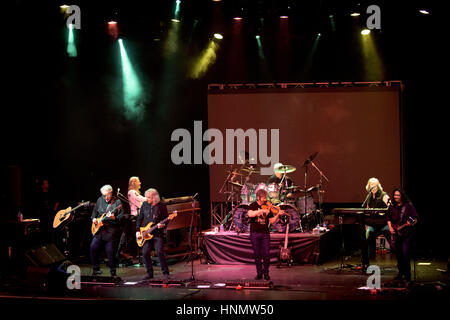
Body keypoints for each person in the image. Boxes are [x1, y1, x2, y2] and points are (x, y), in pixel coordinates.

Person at [247, 189, 283, 280]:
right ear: (258, 197)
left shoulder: (267, 206)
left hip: (265, 233)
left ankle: (266, 273)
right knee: (257, 254)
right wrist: (259, 212)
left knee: (266, 254)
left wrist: (278, 214)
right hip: (254, 233)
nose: (265, 199)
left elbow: (271, 221)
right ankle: (259, 273)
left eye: (265, 197)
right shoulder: (253, 205)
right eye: (263, 198)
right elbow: (250, 214)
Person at [136, 188, 170, 280]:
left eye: (149, 197)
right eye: (146, 197)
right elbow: (139, 219)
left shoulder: (162, 206)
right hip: (146, 234)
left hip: (158, 234)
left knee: (159, 251)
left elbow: (167, 220)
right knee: (145, 253)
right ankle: (149, 273)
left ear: (155, 197)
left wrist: (162, 225)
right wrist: (137, 231)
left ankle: (165, 272)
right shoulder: (144, 205)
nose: (147, 199)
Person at [90, 185, 124, 277]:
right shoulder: (100, 200)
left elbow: (121, 217)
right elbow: (94, 212)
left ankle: (113, 272)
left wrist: (114, 217)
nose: (105, 197)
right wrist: (93, 219)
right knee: (93, 248)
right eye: (103, 195)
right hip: (100, 229)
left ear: (111, 193)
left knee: (110, 251)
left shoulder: (117, 202)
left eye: (107, 195)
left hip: (111, 230)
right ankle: (96, 269)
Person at [387, 189, 418, 281]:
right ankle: (401, 273)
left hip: (406, 234)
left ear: (402, 196)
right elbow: (388, 217)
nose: (396, 197)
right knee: (398, 254)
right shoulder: (392, 206)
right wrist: (390, 227)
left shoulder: (408, 206)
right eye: (395, 195)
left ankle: (407, 274)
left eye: (398, 195)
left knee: (405, 253)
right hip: (396, 234)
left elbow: (415, 219)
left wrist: (411, 223)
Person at [360, 177, 391, 270]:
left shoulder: (383, 195)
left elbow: (391, 206)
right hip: (373, 224)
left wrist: (384, 212)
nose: (373, 186)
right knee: (365, 237)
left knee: (393, 241)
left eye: (374, 184)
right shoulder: (369, 196)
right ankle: (365, 263)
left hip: (383, 224)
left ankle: (401, 264)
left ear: (378, 186)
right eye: (371, 185)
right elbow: (364, 208)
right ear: (368, 186)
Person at [116, 176, 147, 260]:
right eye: (138, 181)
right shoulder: (132, 192)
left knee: (134, 235)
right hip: (135, 216)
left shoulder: (133, 192)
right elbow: (140, 198)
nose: (140, 183)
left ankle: (134, 253)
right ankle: (126, 252)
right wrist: (150, 198)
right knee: (133, 235)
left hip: (137, 216)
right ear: (134, 183)